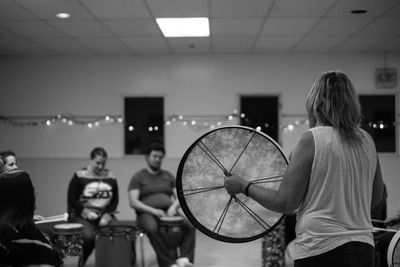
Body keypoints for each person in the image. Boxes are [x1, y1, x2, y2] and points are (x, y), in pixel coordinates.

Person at [224, 70, 385, 267]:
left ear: (316, 105)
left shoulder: (311, 139)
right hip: (364, 248)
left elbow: (286, 203)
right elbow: (376, 198)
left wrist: (243, 186)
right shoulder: (366, 140)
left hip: (321, 249)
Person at [128, 143, 195, 267]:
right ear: (147, 157)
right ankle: (168, 263)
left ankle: (185, 259)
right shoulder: (138, 177)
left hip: (168, 211)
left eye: (160, 157)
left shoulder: (168, 176)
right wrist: (153, 211)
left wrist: (173, 207)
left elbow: (180, 196)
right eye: (155, 156)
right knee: (152, 228)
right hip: (146, 213)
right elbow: (133, 202)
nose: (158, 159)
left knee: (190, 225)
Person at [0, 167, 62, 266]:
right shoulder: (24, 234)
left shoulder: (9, 227)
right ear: (24, 198)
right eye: (32, 190)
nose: (35, 193)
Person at [67, 147, 119, 265]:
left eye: (103, 163)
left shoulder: (111, 176)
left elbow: (115, 200)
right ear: (90, 160)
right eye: (97, 163)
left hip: (104, 215)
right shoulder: (79, 175)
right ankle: (79, 263)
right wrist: (87, 213)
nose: (100, 166)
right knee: (88, 237)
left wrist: (107, 216)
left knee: (121, 232)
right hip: (81, 215)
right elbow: (72, 200)